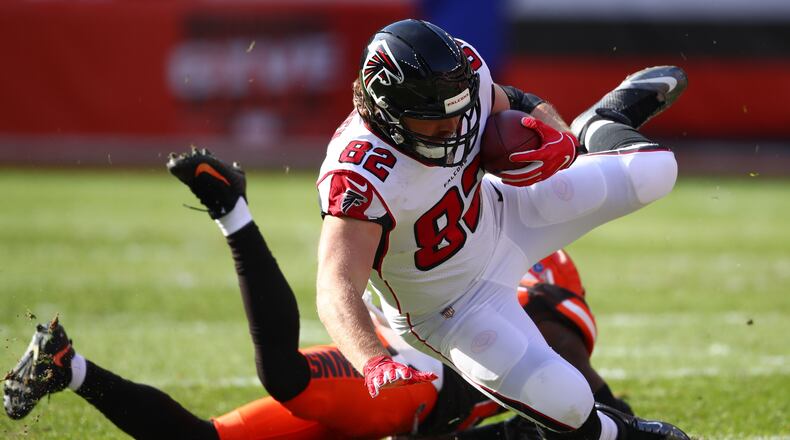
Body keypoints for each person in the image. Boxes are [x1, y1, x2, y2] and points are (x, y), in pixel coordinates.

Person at [4, 150, 632, 439]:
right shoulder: (519, 253)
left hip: (415, 392)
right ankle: (233, 213)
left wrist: (615, 415)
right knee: (286, 377)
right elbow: (563, 357)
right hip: (410, 381)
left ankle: (68, 366)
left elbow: (570, 369)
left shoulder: (524, 247)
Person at [315, 18, 689, 440]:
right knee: (565, 399)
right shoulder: (360, 174)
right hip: (450, 307)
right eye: (433, 121)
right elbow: (335, 285)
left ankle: (596, 125)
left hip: (502, 211)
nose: (455, 129)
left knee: (656, 171)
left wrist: (561, 138)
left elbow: (514, 99)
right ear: (388, 113)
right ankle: (621, 433)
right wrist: (373, 360)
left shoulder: (462, 79)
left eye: (457, 114)